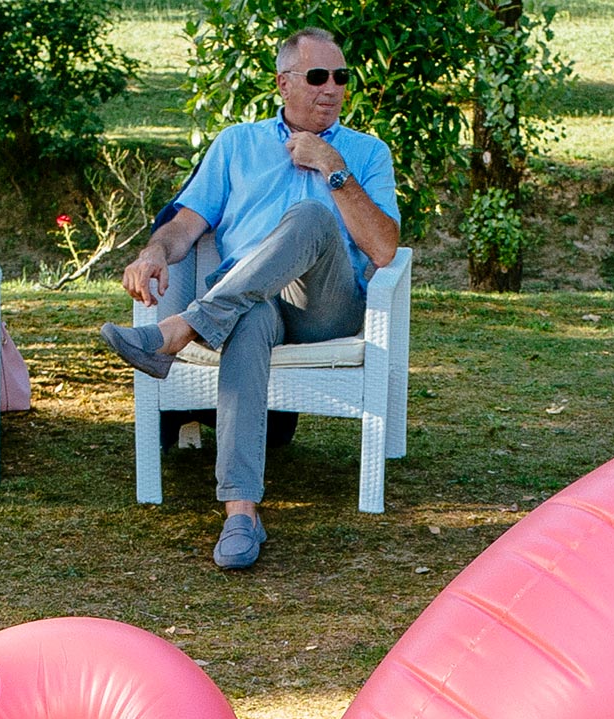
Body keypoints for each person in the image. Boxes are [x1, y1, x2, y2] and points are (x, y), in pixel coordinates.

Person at [99, 27, 400, 569]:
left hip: (323, 308)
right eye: (316, 77)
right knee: (249, 313)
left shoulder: (366, 154)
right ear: (284, 83)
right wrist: (153, 254)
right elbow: (186, 224)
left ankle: (179, 331)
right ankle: (241, 512)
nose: (331, 89)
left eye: (341, 77)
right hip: (250, 300)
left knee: (309, 217)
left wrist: (332, 168)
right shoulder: (237, 145)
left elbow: (383, 248)